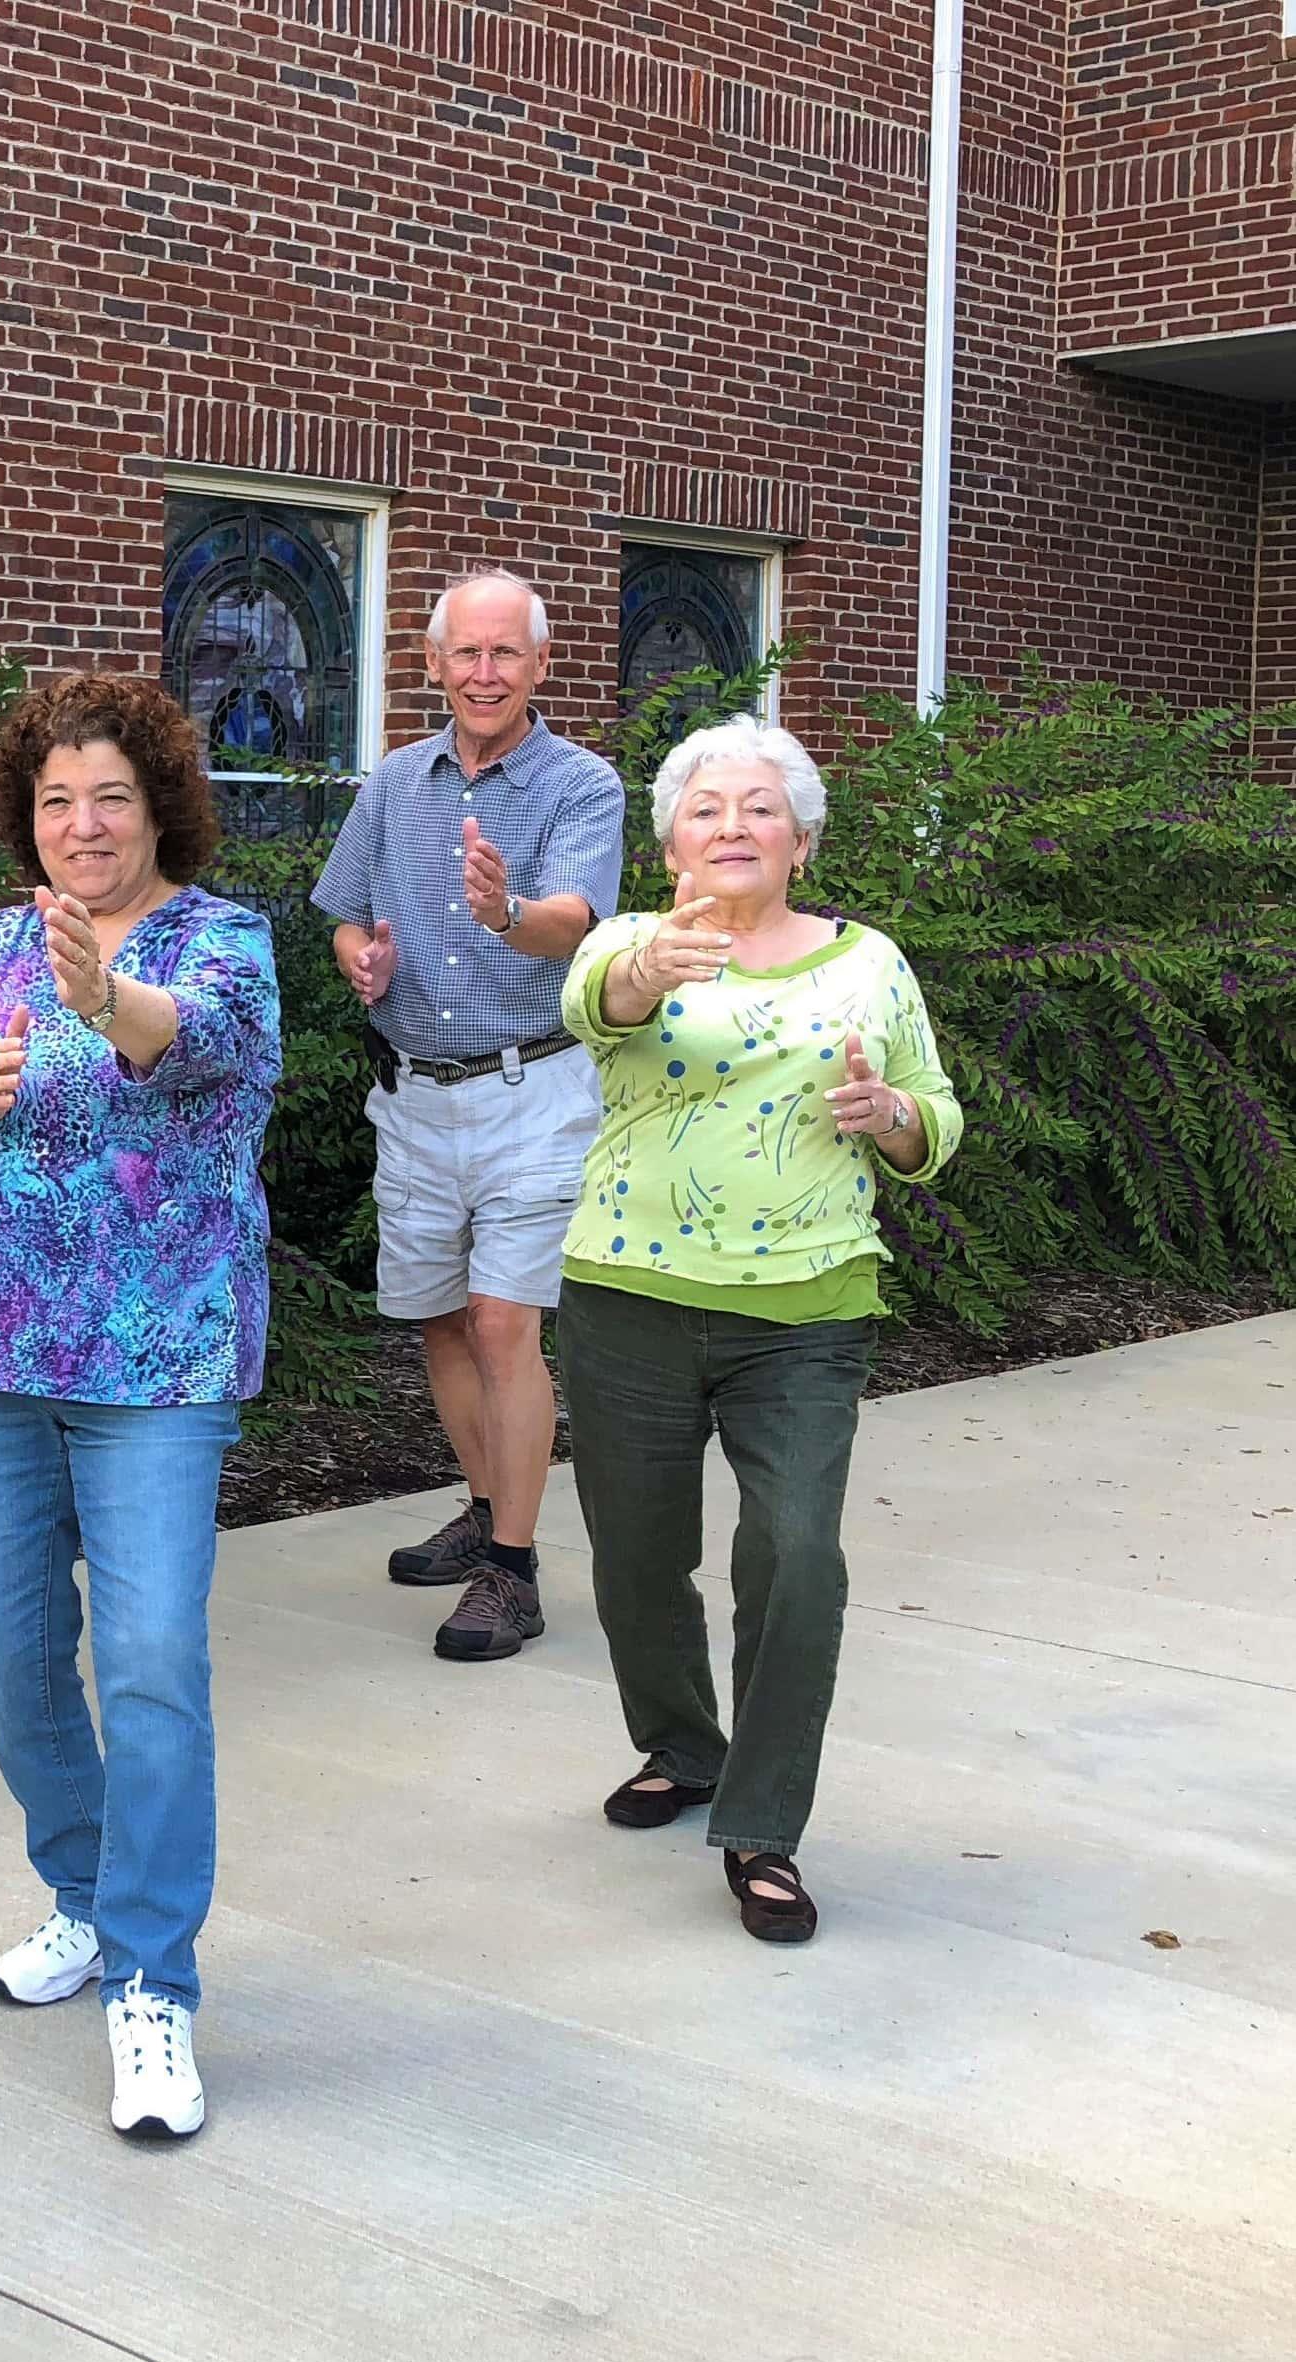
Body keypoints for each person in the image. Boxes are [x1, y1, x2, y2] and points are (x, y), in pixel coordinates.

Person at [0, 675, 280, 2143]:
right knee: (19, 1655)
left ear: (159, 800)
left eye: (110, 795)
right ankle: (86, 1894)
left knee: (155, 1657)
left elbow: (218, 1054)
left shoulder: (223, 940)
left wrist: (109, 1000)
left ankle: (154, 1980)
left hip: (158, 1364)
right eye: (56, 801)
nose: (84, 823)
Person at [555, 716, 959, 1944]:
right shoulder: (635, 943)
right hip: (626, 1297)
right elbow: (597, 1005)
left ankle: (763, 1823)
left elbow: (933, 1125)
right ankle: (681, 1744)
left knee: (795, 1557)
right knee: (635, 1559)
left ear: (801, 836)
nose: (733, 827)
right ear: (670, 837)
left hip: (807, 1310)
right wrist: (653, 964)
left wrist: (888, 1110)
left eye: (759, 808)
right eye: (705, 809)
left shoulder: (870, 963)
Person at [311, 572, 626, 1663]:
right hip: (414, 1097)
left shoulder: (582, 786)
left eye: (506, 654)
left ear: (542, 667)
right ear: (433, 665)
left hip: (532, 1090)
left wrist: (507, 912)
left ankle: (516, 1570)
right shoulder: (396, 783)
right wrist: (361, 955)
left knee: (502, 1322)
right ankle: (489, 1508)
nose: (484, 673)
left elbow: (577, 929)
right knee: (441, 1317)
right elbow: (346, 916)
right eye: (466, 654)